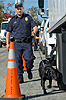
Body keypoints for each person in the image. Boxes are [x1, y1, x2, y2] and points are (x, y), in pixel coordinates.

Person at [6, 2, 38, 84]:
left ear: (22, 9)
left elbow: (35, 26)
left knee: (30, 59)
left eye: (20, 8)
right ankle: (20, 75)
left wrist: (34, 31)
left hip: (27, 43)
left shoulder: (28, 17)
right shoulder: (13, 20)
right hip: (17, 43)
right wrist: (7, 43)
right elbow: (8, 32)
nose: (19, 10)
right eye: (17, 8)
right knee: (18, 61)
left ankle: (29, 69)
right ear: (15, 10)